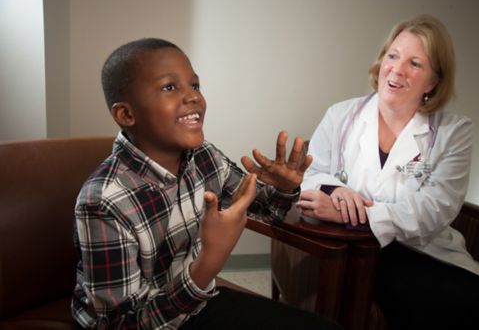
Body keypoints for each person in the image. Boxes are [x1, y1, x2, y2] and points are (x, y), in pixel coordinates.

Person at [71, 38, 340, 330]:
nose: (194, 98)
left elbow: (265, 208)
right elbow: (120, 325)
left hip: (194, 302)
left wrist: (284, 188)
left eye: (195, 86)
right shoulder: (103, 200)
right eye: (169, 87)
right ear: (126, 114)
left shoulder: (203, 156)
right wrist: (209, 262)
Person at [296, 14, 479, 330]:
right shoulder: (341, 116)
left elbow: (434, 209)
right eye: (393, 55)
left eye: (415, 63)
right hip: (355, 251)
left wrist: (355, 213)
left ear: (434, 81)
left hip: (424, 253)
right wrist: (335, 191)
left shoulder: (454, 132)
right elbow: (313, 172)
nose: (397, 69)